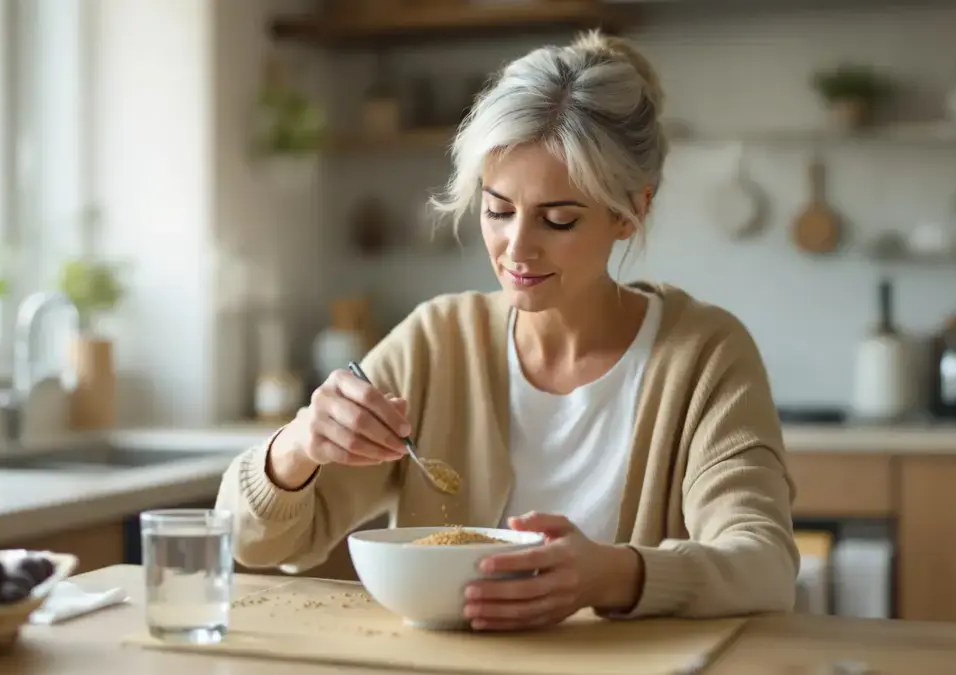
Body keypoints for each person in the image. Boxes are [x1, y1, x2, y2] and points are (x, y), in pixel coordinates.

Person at [217, 30, 798, 632]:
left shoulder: (704, 355)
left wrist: (611, 575)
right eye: (498, 210)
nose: (517, 248)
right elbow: (252, 546)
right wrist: (296, 448)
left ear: (632, 211)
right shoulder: (438, 341)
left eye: (559, 219)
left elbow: (765, 565)